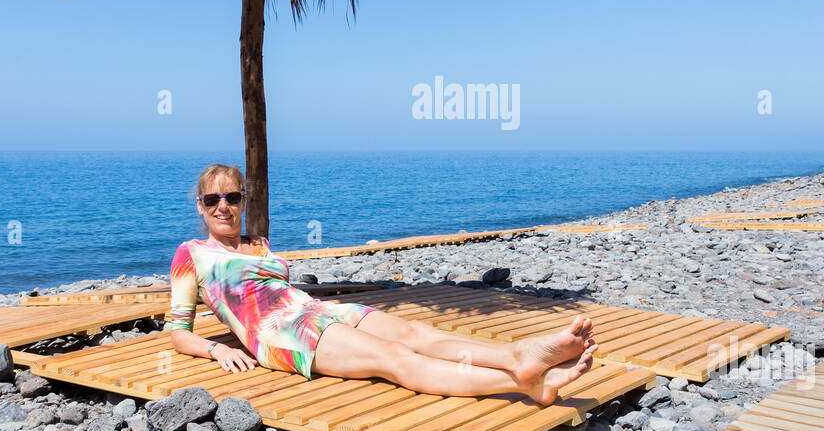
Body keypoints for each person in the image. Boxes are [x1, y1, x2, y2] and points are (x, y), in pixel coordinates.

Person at [165, 163, 597, 405]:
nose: (223, 206)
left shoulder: (259, 244)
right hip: (282, 334)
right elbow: (178, 333)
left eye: (232, 197)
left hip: (316, 310)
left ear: (244, 201)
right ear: (200, 207)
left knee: (415, 332)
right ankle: (520, 382)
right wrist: (218, 348)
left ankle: (516, 354)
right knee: (394, 357)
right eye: (212, 199)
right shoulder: (192, 255)